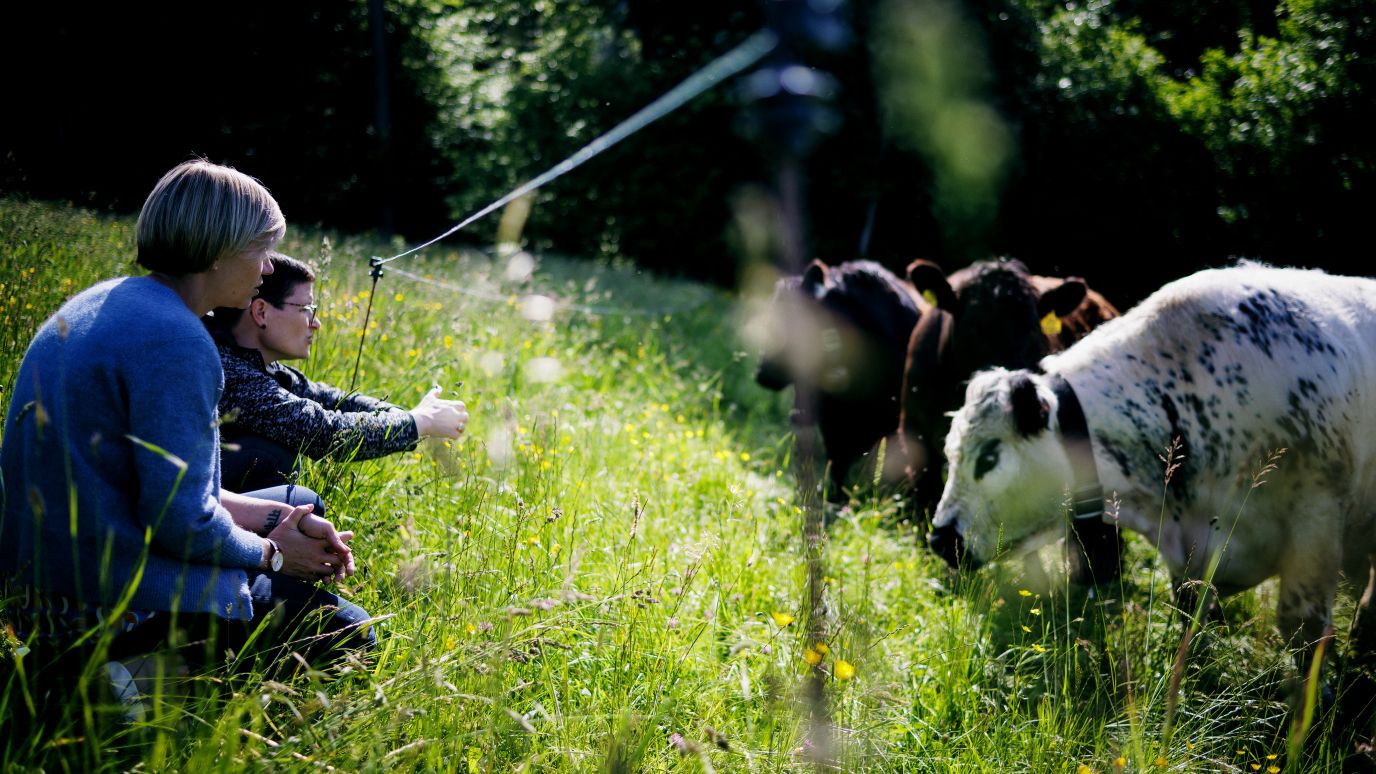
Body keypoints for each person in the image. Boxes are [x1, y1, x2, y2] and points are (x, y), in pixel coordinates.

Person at [0, 161, 375, 716]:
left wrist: (279, 520)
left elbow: (151, 485)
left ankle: (117, 672)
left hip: (40, 581)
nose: (268, 267)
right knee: (348, 632)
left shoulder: (104, 302)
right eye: (261, 249)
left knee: (300, 503)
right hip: (98, 598)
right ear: (219, 249)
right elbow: (183, 523)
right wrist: (274, 556)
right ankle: (104, 688)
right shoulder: (178, 341)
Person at [204, 253, 469, 492]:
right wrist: (418, 423)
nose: (316, 323)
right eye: (306, 310)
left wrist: (408, 416)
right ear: (261, 312)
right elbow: (325, 433)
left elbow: (330, 399)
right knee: (272, 456)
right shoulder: (228, 371)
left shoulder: (256, 366)